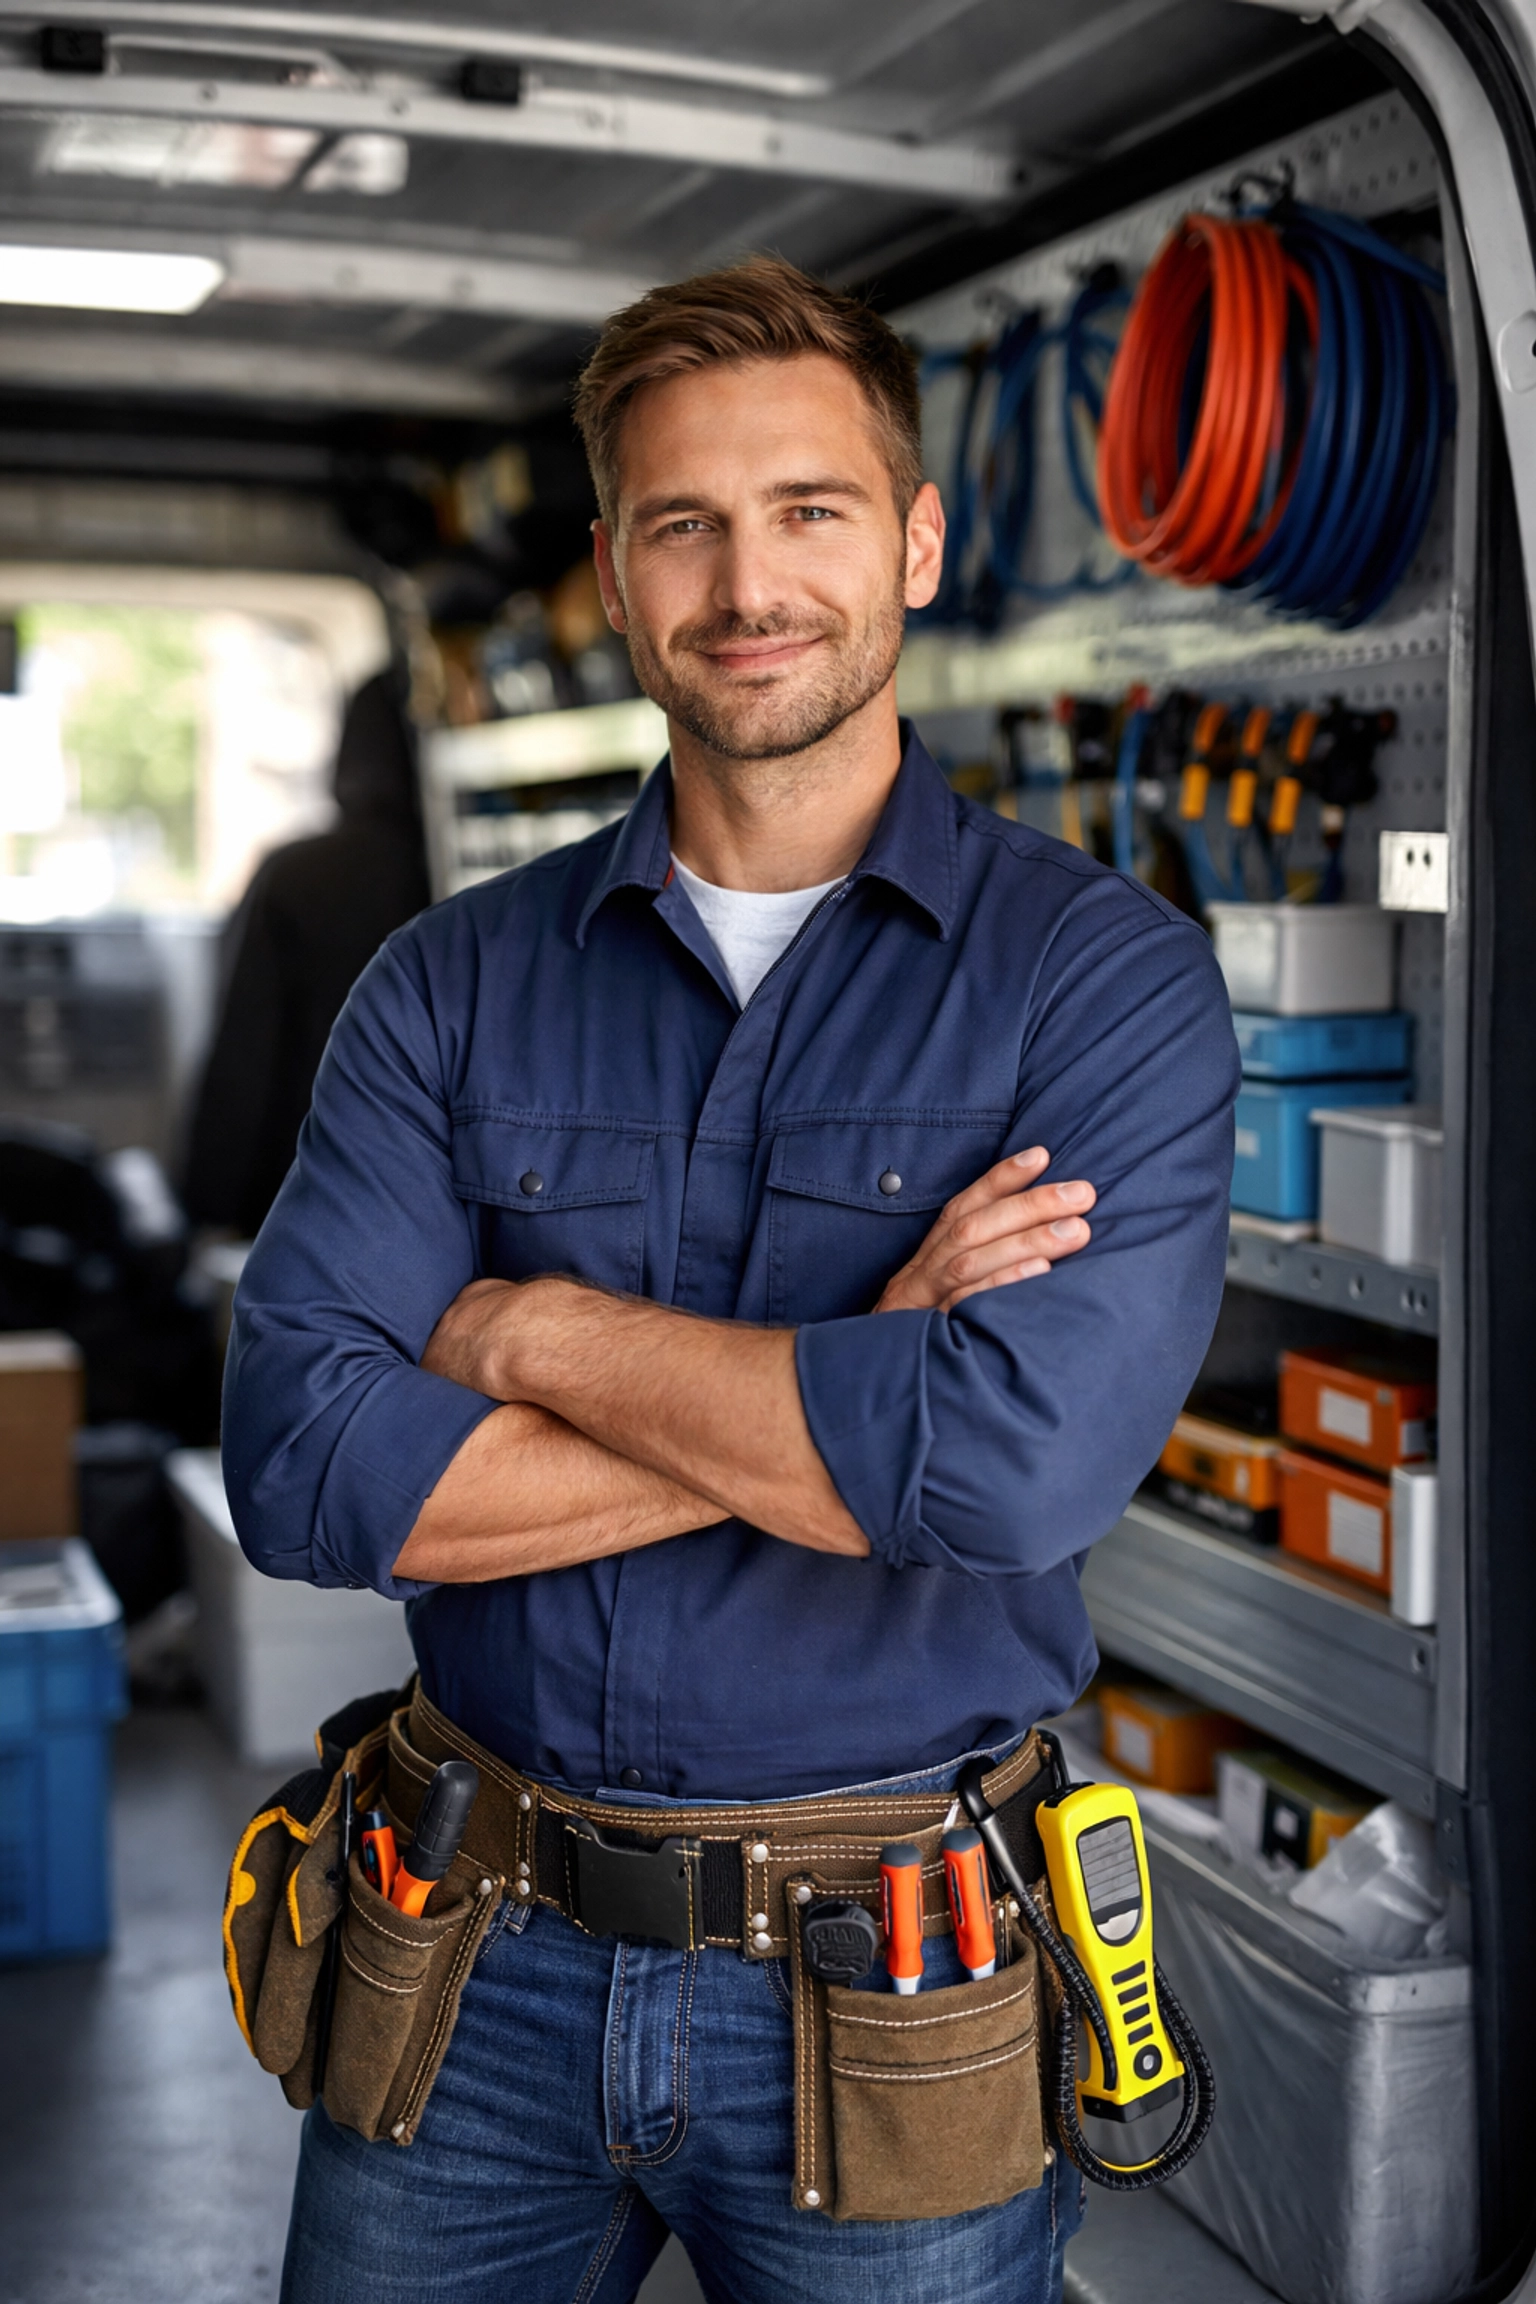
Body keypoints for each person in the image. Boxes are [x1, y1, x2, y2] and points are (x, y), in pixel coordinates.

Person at [226, 256, 1238, 2304]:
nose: (745, 580)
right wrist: (867, 1367)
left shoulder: (1098, 982)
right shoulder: (451, 986)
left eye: (811, 511)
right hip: (468, 1947)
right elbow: (310, 1476)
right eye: (683, 522)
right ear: (612, 571)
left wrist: (525, 1332)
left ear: (917, 545)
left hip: (896, 1975)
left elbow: (1009, 1480)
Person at [182, 668, 430, 1238]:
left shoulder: (298, 876)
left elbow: (247, 1049)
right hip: (422, 1190)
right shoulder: (484, 880)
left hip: (302, 1179)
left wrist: (209, 1205)